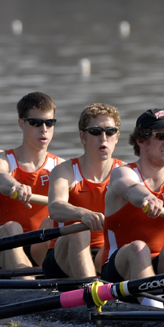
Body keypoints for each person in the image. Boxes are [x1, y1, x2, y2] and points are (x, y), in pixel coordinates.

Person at [101, 109, 164, 283]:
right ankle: (153, 307)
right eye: (161, 136)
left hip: (162, 263)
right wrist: (148, 197)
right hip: (120, 266)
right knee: (139, 248)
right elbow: (130, 188)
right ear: (141, 140)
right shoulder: (123, 172)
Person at [43, 103, 124, 279]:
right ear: (83, 137)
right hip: (63, 255)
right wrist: (83, 214)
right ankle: (93, 291)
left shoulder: (126, 172)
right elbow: (55, 207)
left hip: (105, 253)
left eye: (110, 132)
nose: (103, 138)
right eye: (95, 132)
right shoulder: (65, 171)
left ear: (116, 137)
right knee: (78, 231)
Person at [0, 92, 62, 271]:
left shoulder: (61, 167)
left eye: (49, 123)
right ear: (22, 123)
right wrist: (15, 186)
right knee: (13, 227)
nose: (44, 129)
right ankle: (28, 281)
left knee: (51, 224)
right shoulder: (0, 159)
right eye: (36, 123)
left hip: (40, 246)